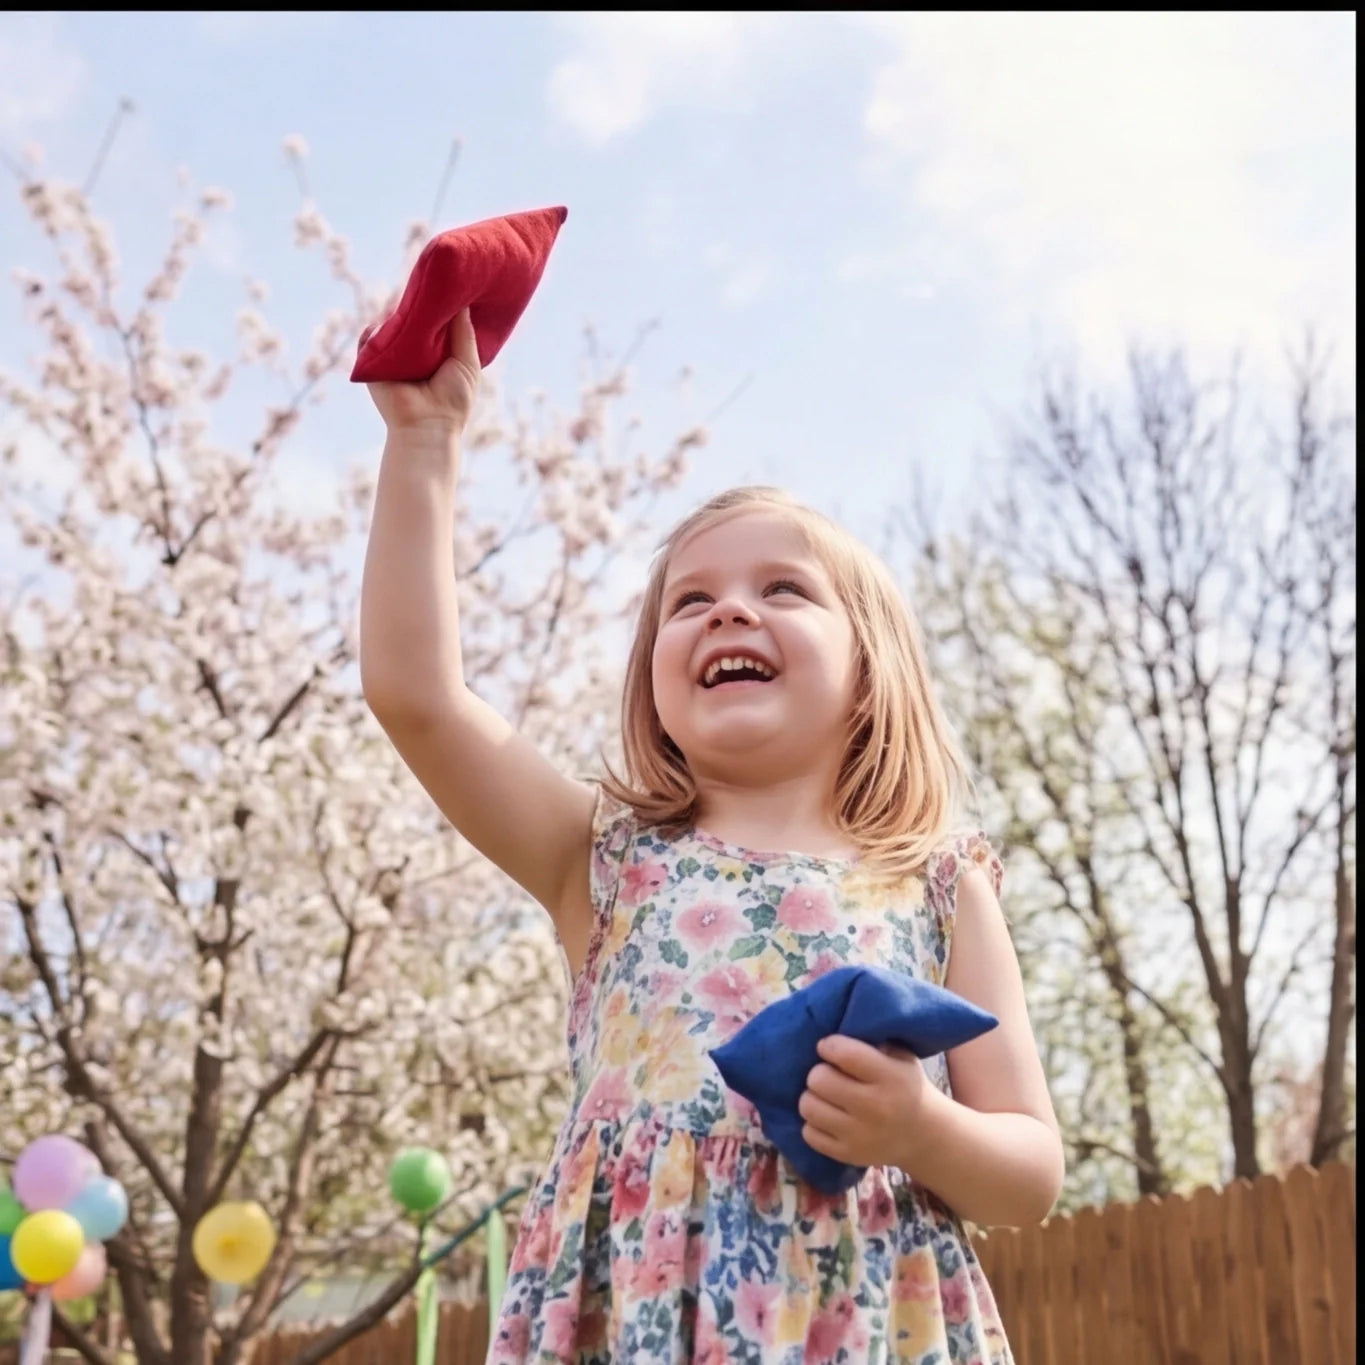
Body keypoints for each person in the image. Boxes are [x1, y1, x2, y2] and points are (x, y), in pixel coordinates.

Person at [360, 312, 1064, 1364]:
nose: (729, 611)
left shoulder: (937, 883)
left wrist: (921, 1131)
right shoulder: (601, 860)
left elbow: (1031, 1170)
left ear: (871, 670)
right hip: (637, 1322)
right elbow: (417, 696)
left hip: (871, 1325)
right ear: (654, 678)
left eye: (782, 588)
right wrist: (424, 443)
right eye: (690, 601)